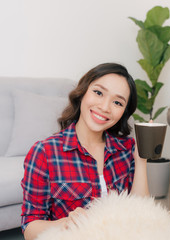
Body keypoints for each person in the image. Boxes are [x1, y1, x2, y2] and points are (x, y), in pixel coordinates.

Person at [21, 63, 149, 240]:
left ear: (123, 113)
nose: (105, 107)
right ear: (83, 92)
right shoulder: (44, 152)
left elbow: (141, 214)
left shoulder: (126, 149)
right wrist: (66, 223)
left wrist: (142, 160)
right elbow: (30, 229)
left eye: (117, 102)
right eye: (98, 93)